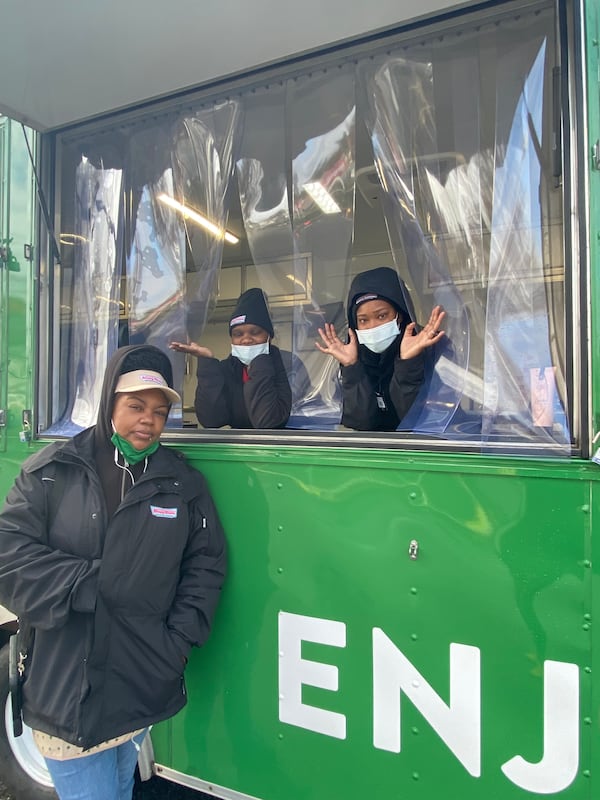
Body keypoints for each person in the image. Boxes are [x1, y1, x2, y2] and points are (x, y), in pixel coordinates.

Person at [0, 344, 227, 800]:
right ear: (109, 404)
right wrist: (92, 585)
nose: (149, 420)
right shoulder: (51, 472)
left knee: (121, 789)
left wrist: (177, 644)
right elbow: (10, 556)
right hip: (68, 687)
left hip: (143, 682)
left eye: (160, 411)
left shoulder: (183, 484)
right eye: (136, 406)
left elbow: (205, 564)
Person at [316, 266, 445, 431]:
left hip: (421, 453)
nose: (373, 326)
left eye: (382, 316)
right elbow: (360, 422)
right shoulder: (353, 353)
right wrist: (352, 368)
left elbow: (418, 421)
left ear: (400, 314)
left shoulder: (432, 346)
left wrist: (408, 362)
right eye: (363, 320)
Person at [170, 287, 292, 429]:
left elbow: (268, 422)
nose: (246, 340)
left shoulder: (288, 364)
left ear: (269, 336)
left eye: (255, 332)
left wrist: (260, 362)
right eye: (238, 334)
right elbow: (212, 421)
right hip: (236, 449)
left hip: (282, 449)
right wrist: (207, 363)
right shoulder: (227, 368)